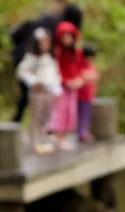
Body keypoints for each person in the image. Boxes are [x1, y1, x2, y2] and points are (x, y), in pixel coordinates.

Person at [10, 3, 83, 123]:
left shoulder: (49, 19)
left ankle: (18, 122)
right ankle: (27, 125)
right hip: (34, 60)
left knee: (28, 95)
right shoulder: (60, 26)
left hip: (22, 55)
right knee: (35, 96)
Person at [17, 27, 63, 154]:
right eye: (43, 42)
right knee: (36, 116)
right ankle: (34, 140)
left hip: (49, 91)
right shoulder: (32, 57)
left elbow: (55, 75)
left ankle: (43, 139)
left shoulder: (50, 58)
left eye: (48, 42)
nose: (46, 44)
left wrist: (57, 89)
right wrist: (34, 82)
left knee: (46, 116)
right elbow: (22, 72)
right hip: (38, 92)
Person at [47, 21, 86, 150]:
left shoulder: (75, 53)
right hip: (60, 88)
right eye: (64, 37)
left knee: (70, 112)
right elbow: (56, 71)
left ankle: (63, 136)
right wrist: (66, 82)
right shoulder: (57, 53)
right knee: (59, 112)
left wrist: (79, 80)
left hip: (72, 88)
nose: (67, 40)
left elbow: (79, 68)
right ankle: (58, 137)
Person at [76, 46, 100, 143]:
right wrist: (89, 77)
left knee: (86, 115)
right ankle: (82, 133)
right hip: (81, 96)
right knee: (81, 114)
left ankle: (84, 131)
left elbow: (95, 77)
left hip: (89, 95)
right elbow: (84, 77)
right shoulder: (79, 65)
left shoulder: (91, 66)